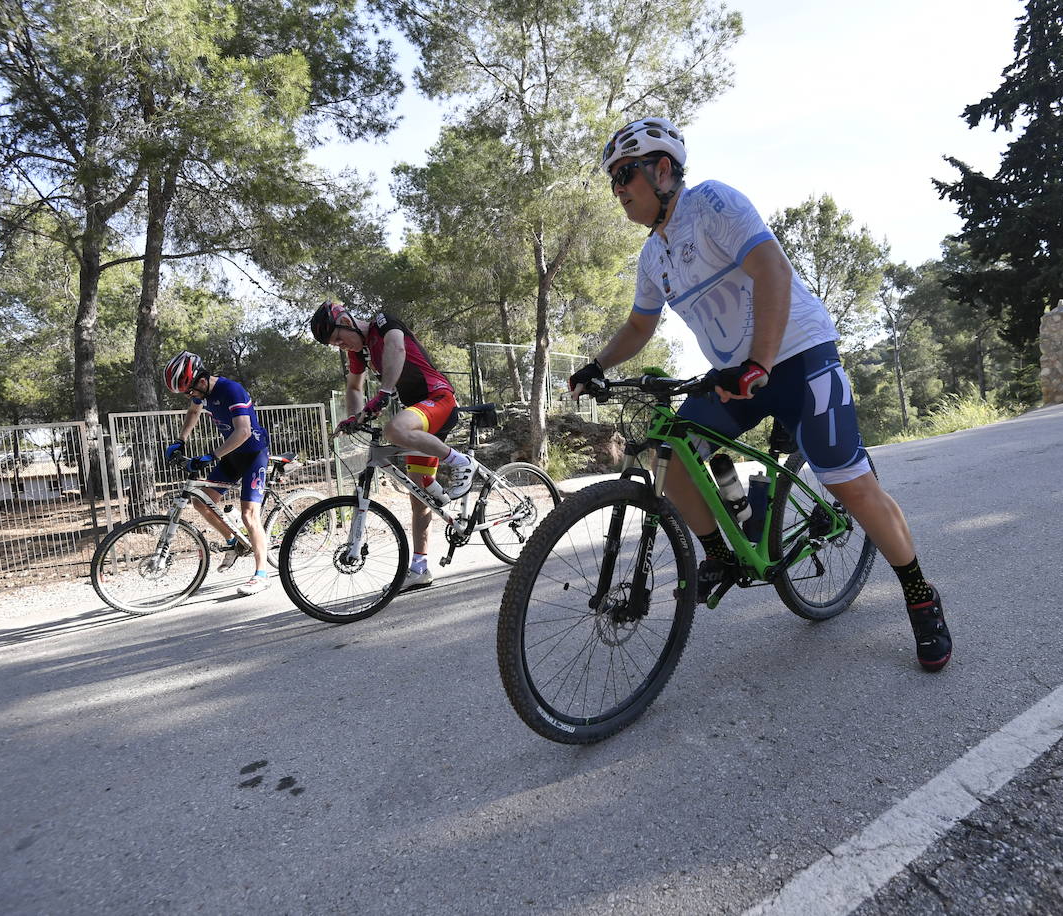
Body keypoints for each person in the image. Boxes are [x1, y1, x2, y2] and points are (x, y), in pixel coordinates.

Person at [569, 117, 951, 672]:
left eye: (625, 174)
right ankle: (722, 556)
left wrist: (759, 362)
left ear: (663, 170)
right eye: (613, 181)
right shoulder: (654, 256)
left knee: (852, 486)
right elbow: (639, 326)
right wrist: (595, 365)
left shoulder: (712, 204)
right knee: (672, 453)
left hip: (796, 355)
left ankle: (920, 595)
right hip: (738, 373)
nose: (618, 190)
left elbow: (771, 269)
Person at [309, 302, 477, 589]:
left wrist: (385, 393)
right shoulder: (358, 353)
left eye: (338, 338)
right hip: (419, 411)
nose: (339, 345)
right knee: (419, 493)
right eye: (333, 344)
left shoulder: (382, 322)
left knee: (395, 428)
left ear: (346, 319)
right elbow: (353, 388)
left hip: (439, 398)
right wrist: (354, 417)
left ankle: (463, 463)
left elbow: (397, 349)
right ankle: (420, 567)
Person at [162, 350, 273, 596]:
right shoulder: (202, 392)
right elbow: (193, 413)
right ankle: (233, 542)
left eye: (190, 390)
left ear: (201, 380)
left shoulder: (231, 390)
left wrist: (212, 456)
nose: (190, 396)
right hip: (233, 456)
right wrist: (180, 440)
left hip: (254, 454)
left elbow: (243, 432)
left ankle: (261, 574)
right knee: (200, 501)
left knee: (248, 515)